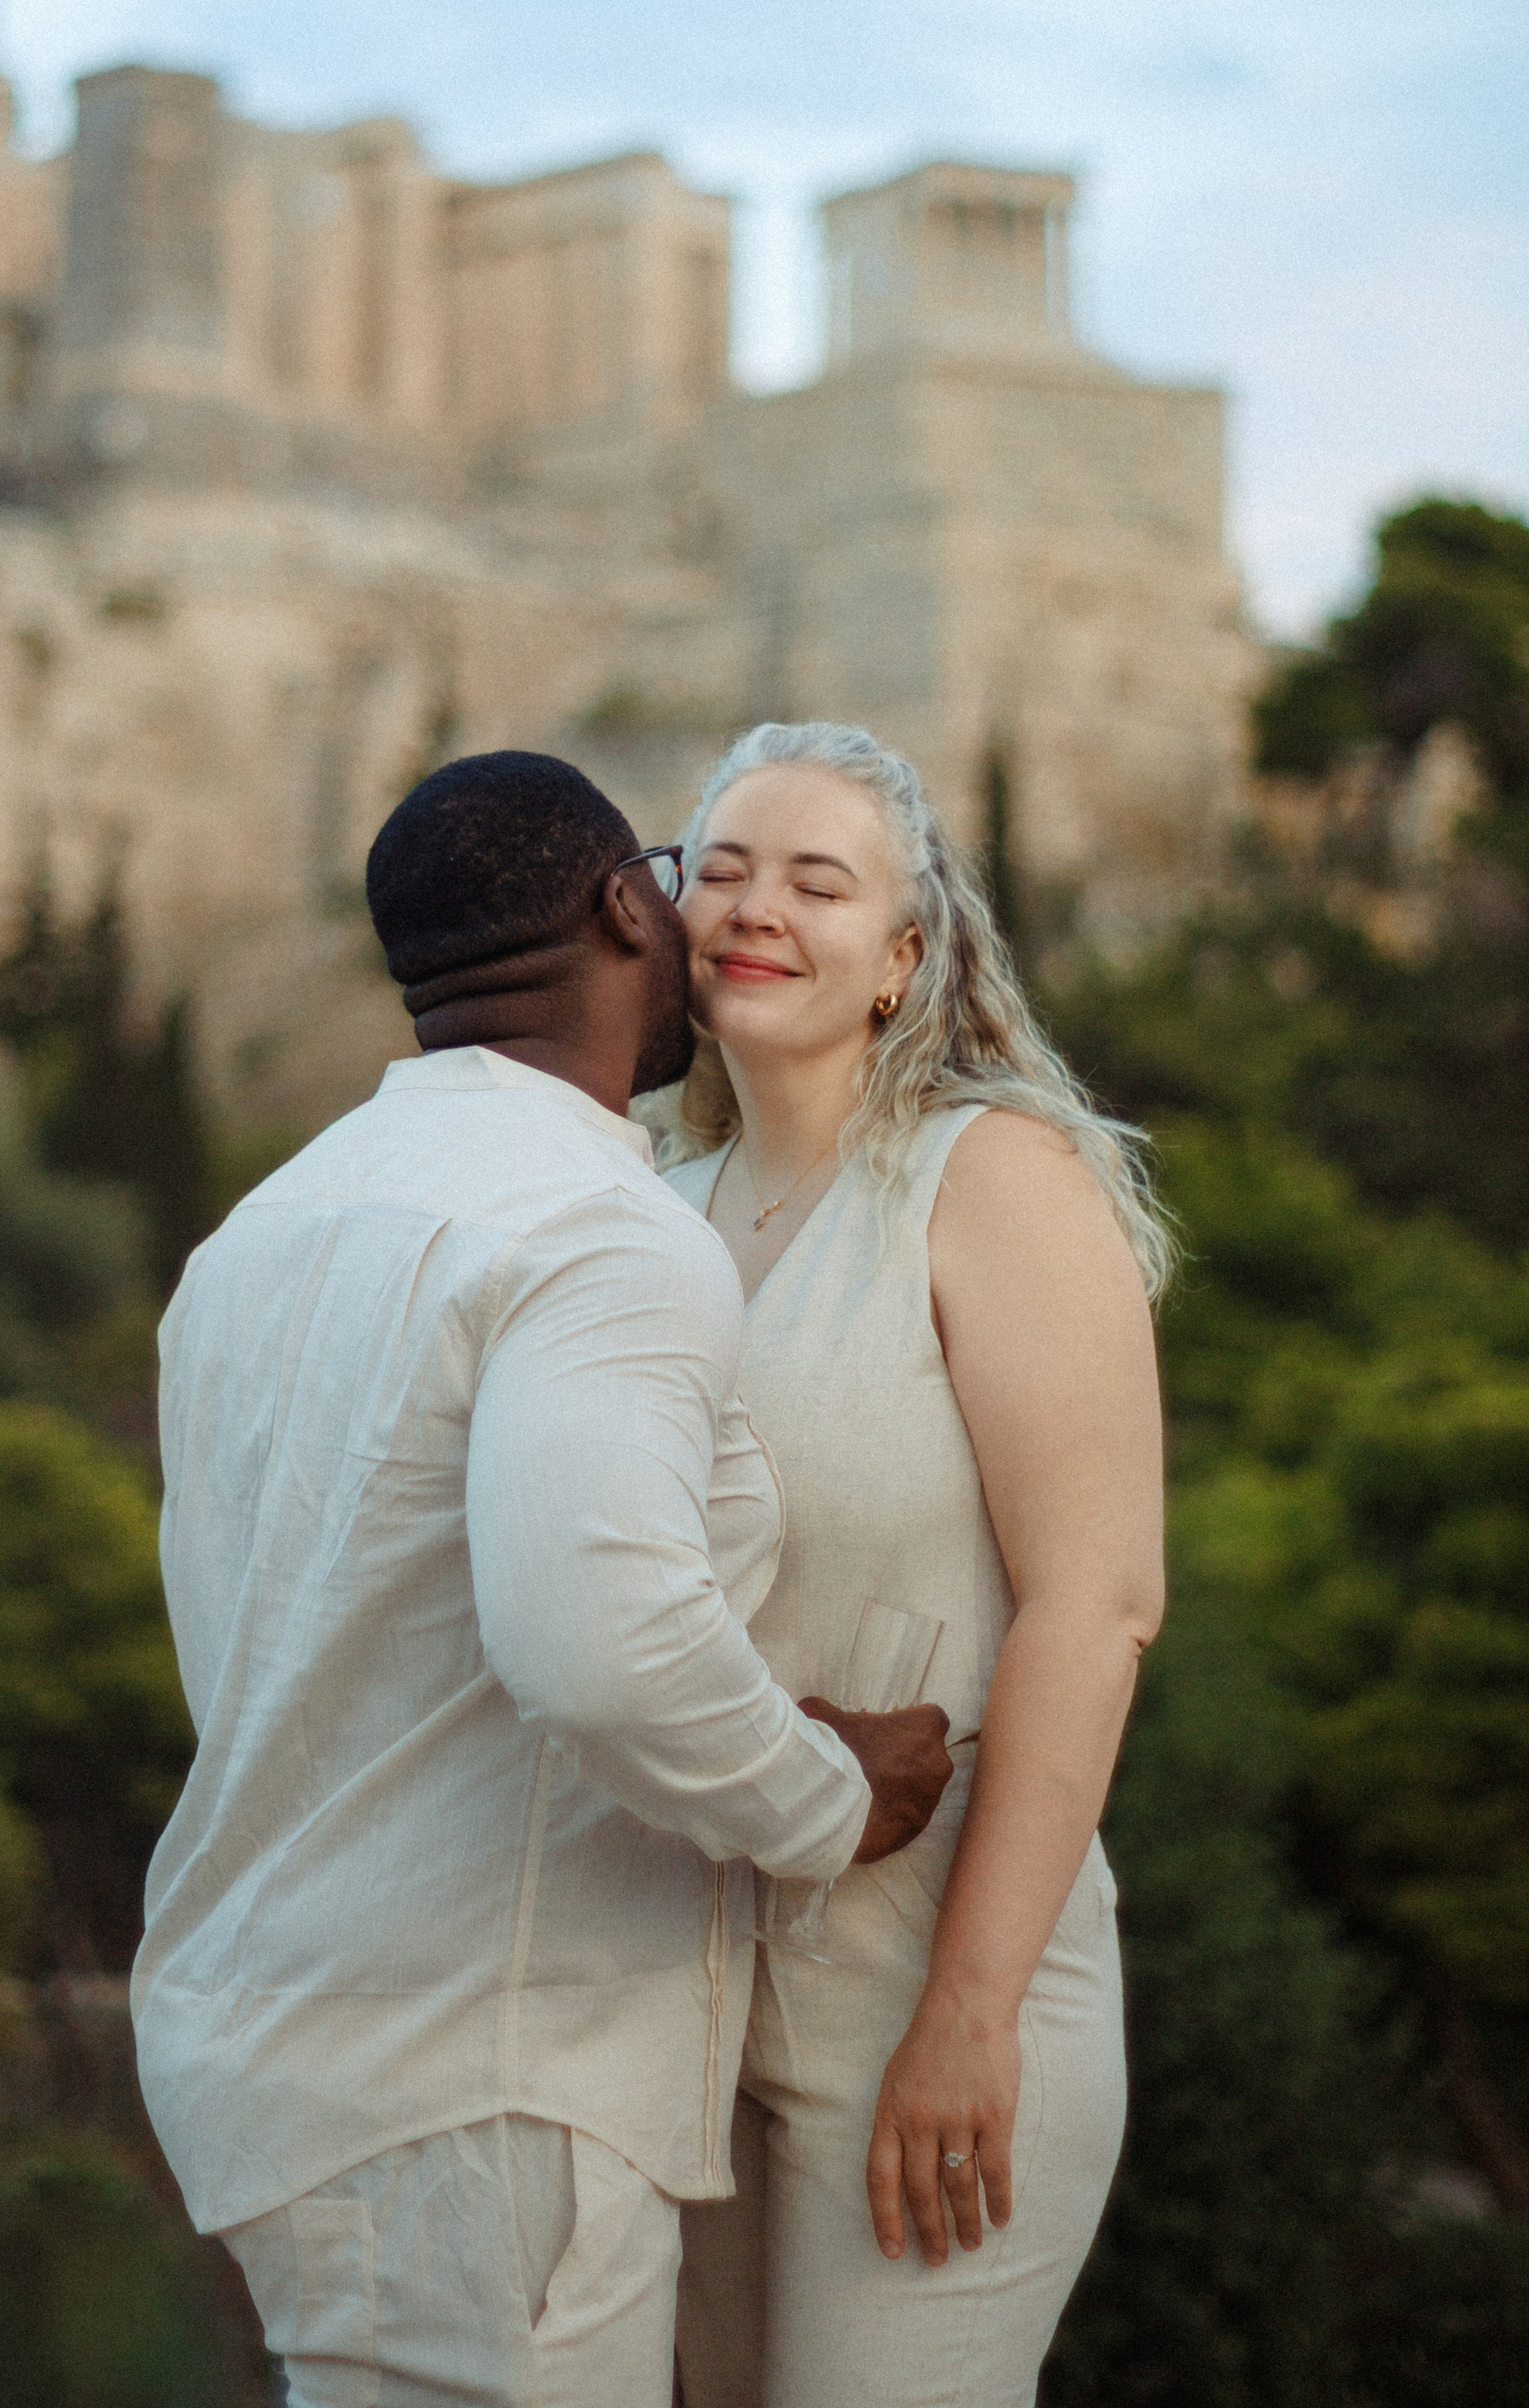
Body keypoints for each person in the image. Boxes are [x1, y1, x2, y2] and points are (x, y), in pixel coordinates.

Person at [132, 750, 954, 2408]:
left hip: (283, 2050)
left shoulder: (259, 1238)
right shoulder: (598, 1231)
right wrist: (825, 1799)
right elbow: (594, 1643)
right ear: (619, 907)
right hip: (478, 2085)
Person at [658, 722, 1169, 2408]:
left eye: (815, 882)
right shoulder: (650, 1209)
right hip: (676, 2005)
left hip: (928, 1992)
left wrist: (969, 2013)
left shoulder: (987, 1178)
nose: (752, 909)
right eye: (718, 869)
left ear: (899, 959)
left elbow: (1095, 1610)